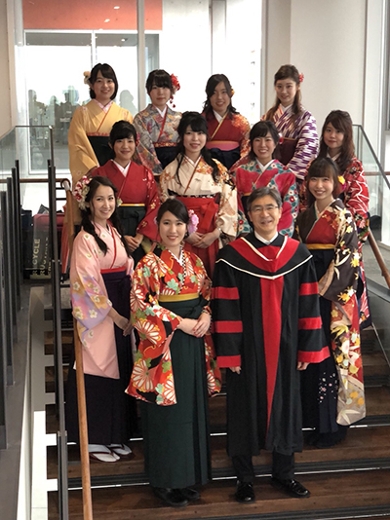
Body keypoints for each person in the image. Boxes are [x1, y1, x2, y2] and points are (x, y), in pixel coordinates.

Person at [211, 186, 329, 503]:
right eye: (258, 209)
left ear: (281, 211)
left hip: (287, 347)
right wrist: (230, 352)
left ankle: (284, 474)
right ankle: (244, 478)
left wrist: (307, 347)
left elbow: (308, 304)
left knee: (287, 406)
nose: (265, 214)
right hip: (246, 350)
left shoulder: (298, 255)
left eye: (270, 207)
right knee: (242, 408)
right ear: (248, 216)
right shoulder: (232, 257)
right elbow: (226, 307)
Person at [126, 198, 221, 507]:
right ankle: (165, 480)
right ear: (157, 226)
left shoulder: (195, 262)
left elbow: (206, 294)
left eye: (179, 224)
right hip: (165, 345)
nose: (172, 229)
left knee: (191, 410)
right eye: (166, 223)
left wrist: (206, 316)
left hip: (192, 342)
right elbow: (142, 307)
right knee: (166, 414)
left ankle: (189, 476)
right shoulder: (148, 263)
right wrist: (180, 323)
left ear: (187, 227)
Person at [295, 158, 365, 448]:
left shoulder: (344, 216)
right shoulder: (303, 216)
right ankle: (314, 420)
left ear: (337, 183)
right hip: (309, 291)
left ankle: (334, 426)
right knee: (313, 355)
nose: (319, 185)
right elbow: (298, 255)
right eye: (314, 179)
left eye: (326, 180)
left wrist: (321, 288)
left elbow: (348, 258)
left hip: (334, 298)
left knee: (335, 357)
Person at [66, 176, 135, 462]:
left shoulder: (114, 231)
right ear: (88, 203)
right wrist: (116, 315)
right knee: (99, 370)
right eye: (99, 199)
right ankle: (94, 440)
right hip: (101, 310)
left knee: (121, 369)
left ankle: (116, 435)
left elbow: (127, 266)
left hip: (120, 300)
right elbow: (87, 281)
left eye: (110, 198)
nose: (106, 204)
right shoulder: (84, 238)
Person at [159, 111, 238, 277]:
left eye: (200, 133)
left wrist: (216, 233)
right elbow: (164, 205)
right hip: (179, 235)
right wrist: (185, 232)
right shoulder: (169, 171)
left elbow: (229, 203)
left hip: (212, 233)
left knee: (213, 277)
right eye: (189, 133)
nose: (195, 139)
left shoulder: (219, 170)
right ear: (181, 136)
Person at [317, 110, 370, 327]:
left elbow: (358, 207)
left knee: (342, 312)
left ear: (347, 135)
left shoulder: (353, 167)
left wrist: (342, 235)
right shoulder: (318, 163)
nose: (332, 135)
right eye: (329, 130)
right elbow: (305, 199)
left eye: (338, 131)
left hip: (343, 241)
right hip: (316, 240)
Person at [92, 120, 160, 264]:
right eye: (120, 141)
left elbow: (154, 204)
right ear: (111, 144)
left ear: (136, 144)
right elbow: (95, 207)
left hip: (139, 235)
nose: (125, 146)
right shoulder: (100, 173)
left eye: (130, 141)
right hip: (110, 231)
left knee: (141, 279)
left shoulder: (145, 173)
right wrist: (119, 236)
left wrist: (140, 236)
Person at [231, 120, 298, 236]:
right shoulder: (239, 173)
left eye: (267, 140)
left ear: (276, 143)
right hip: (247, 236)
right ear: (251, 143)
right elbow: (234, 205)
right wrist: (245, 231)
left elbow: (289, 210)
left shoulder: (287, 175)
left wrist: (275, 236)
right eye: (257, 140)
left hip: (276, 235)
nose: (262, 145)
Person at [68, 63, 133, 183]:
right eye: (99, 81)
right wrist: (94, 169)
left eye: (109, 81)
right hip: (91, 173)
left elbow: (130, 145)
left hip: (117, 169)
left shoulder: (125, 115)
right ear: (92, 85)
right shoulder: (81, 113)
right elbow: (77, 146)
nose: (105, 85)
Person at [263, 64, 318, 181]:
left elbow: (306, 151)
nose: (283, 91)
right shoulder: (268, 116)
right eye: (279, 86)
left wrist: (283, 175)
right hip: (267, 174)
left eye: (289, 86)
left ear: (298, 86)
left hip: (293, 179)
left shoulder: (306, 118)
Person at [133, 69, 181, 176]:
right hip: (151, 173)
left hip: (176, 172)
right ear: (148, 91)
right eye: (155, 88)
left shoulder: (179, 118)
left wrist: (175, 171)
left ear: (171, 89)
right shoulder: (140, 119)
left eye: (164, 87)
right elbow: (142, 149)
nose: (160, 92)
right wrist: (160, 174)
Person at [202, 74, 250, 170]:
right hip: (206, 169)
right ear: (209, 96)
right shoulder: (201, 121)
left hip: (234, 170)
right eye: (214, 93)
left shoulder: (241, 123)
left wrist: (235, 171)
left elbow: (246, 152)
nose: (219, 97)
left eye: (223, 92)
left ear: (230, 94)